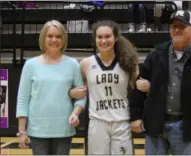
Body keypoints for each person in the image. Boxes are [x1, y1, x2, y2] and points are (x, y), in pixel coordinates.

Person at [130, 10, 191, 155]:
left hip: (184, 128)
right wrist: (135, 117)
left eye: (182, 26)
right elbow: (139, 88)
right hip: (155, 125)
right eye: (174, 26)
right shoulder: (156, 55)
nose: (177, 30)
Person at [16, 20, 87, 155]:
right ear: (43, 38)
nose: (54, 40)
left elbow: (82, 95)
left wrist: (75, 113)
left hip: (64, 128)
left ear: (63, 39)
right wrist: (22, 131)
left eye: (58, 36)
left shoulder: (73, 64)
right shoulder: (30, 65)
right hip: (37, 130)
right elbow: (23, 99)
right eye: (50, 36)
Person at [69, 20, 139, 155]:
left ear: (116, 37)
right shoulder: (86, 64)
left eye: (107, 36)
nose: (103, 41)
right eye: (100, 37)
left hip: (122, 122)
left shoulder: (127, 62)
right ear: (95, 39)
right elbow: (77, 90)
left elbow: (138, 94)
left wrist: (138, 117)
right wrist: (71, 92)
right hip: (97, 122)